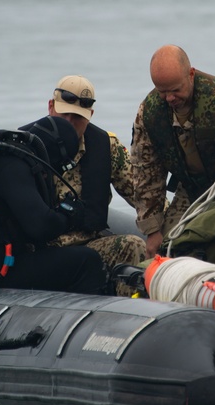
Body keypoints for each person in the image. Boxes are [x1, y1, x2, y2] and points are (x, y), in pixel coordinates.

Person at [0, 116, 109, 295]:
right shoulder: (13, 168)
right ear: (58, 151)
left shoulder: (3, 159)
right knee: (88, 260)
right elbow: (41, 227)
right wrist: (68, 214)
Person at [131, 45, 215, 257]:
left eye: (175, 90)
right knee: (169, 248)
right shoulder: (150, 112)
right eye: (162, 91)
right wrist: (152, 230)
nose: (169, 98)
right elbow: (146, 171)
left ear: (191, 74)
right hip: (189, 188)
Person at [46, 75, 148, 275]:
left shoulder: (106, 147)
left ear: (90, 115)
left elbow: (143, 195)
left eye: (77, 117)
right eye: (64, 114)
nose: (69, 122)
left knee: (133, 245)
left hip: (88, 246)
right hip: (43, 252)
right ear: (51, 107)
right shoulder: (28, 147)